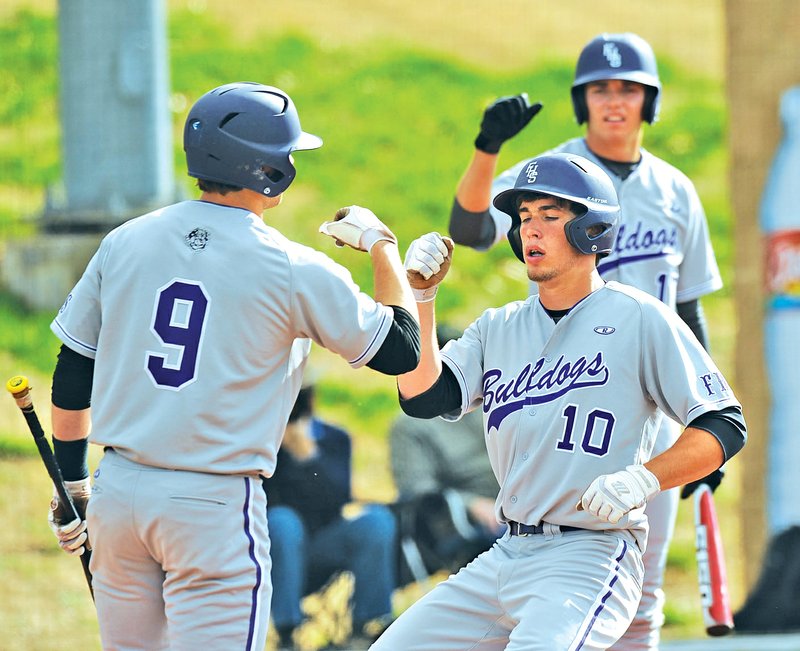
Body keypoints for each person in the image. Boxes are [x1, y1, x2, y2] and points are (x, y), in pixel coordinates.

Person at [44, 81, 420, 651]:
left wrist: (73, 482)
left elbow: (73, 372)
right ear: (270, 170)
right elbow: (402, 349)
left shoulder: (126, 240)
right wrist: (381, 246)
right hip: (210, 505)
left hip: (118, 495)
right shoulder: (294, 267)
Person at [371, 151, 746, 651]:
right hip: (505, 554)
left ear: (591, 229)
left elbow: (724, 423)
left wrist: (644, 478)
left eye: (550, 216)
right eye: (524, 217)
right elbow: (424, 398)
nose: (531, 230)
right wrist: (422, 299)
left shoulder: (640, 317)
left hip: (588, 556)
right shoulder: (498, 326)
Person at [448, 33, 725, 649]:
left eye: (628, 89)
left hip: (653, 394)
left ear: (648, 101)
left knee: (640, 591)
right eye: (600, 89)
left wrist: (699, 424)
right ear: (582, 100)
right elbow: (468, 229)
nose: (614, 102)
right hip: (572, 387)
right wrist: (488, 149)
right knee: (565, 575)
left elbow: (688, 307)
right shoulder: (558, 175)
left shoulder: (676, 190)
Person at [266, 382, 397, 650]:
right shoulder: (260, 439)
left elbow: (338, 499)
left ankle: (368, 625)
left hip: (322, 545)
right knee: (282, 520)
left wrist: (308, 458)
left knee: (376, 521)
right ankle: (286, 632)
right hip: (273, 550)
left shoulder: (335, 438)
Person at [390, 323, 502, 578]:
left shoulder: (492, 403)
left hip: (520, 499)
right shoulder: (411, 425)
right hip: (467, 516)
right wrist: (472, 504)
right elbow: (418, 489)